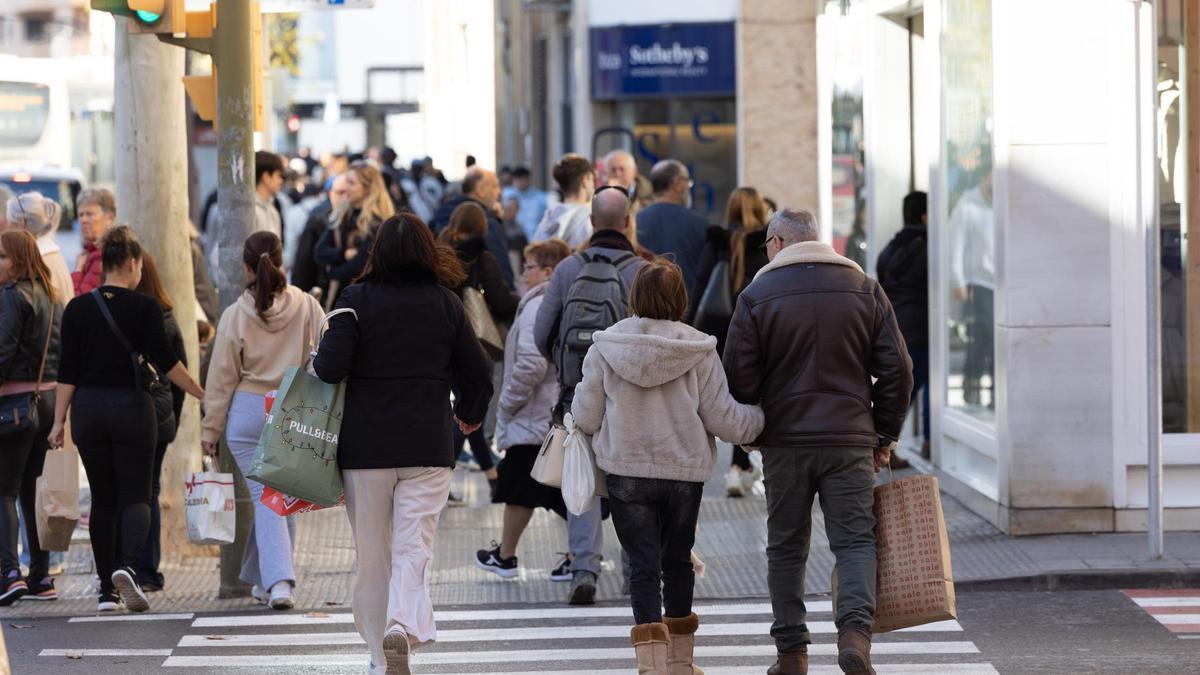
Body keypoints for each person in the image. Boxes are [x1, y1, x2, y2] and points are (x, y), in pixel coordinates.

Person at [722, 209, 911, 675]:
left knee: (786, 546)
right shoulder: (864, 288)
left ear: (779, 241)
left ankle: (791, 654)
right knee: (854, 542)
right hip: (850, 438)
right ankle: (854, 637)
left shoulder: (757, 294)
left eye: (767, 244)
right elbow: (898, 369)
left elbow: (737, 376)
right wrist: (883, 434)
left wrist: (754, 426)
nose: (766, 252)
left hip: (785, 441)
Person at [313, 213, 493, 675]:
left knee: (372, 558)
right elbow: (478, 372)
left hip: (365, 450)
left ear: (377, 252)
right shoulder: (446, 304)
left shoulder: (354, 300)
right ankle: (401, 625)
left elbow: (330, 369)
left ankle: (380, 657)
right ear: (427, 251)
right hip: (429, 446)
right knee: (414, 549)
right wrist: (469, 416)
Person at [573, 259, 763, 674]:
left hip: (626, 473)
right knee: (677, 563)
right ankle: (680, 664)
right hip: (683, 475)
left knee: (642, 567)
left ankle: (651, 667)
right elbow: (723, 417)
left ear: (635, 297)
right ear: (680, 298)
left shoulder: (606, 346)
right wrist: (764, 420)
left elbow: (586, 417)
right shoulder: (698, 349)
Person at [49, 226, 205, 613]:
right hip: (132, 409)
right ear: (133, 263)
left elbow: (66, 372)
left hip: (88, 411)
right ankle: (130, 569)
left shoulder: (78, 308)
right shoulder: (144, 308)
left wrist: (58, 422)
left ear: (105, 263)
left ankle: (106, 591)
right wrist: (204, 394)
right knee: (136, 495)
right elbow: (169, 366)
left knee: (103, 499)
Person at [534, 187, 649, 606]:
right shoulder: (641, 270)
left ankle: (584, 568)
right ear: (627, 222)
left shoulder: (568, 269)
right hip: (629, 396)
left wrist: (570, 372)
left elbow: (541, 333)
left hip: (576, 393)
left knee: (581, 477)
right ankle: (634, 568)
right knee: (629, 482)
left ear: (592, 223)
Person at [201, 232, 324, 611]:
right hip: (291, 408)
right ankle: (277, 579)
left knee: (271, 499)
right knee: (277, 498)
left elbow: (221, 379)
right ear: (282, 261)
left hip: (247, 414)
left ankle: (272, 581)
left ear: (247, 267)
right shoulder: (307, 306)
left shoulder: (236, 315)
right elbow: (324, 355)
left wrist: (210, 431)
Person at [474, 238, 572, 579]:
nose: (522, 274)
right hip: (545, 417)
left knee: (523, 488)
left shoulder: (538, 305)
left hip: (533, 417)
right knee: (548, 490)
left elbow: (531, 363)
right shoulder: (552, 301)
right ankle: (514, 553)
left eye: (528, 267)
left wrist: (508, 403)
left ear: (548, 271)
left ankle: (508, 556)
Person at [686, 186, 771, 498]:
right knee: (751, 395)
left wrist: (689, 325)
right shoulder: (766, 243)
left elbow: (701, 283)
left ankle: (728, 467)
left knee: (724, 395)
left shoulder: (718, 241)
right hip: (758, 327)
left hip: (720, 328)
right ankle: (741, 465)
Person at [0, 230, 62, 604]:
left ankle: (9, 573)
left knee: (3, 490)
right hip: (47, 401)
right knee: (32, 491)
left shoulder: (12, 295)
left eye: (3, 257)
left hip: (13, 406)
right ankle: (40, 575)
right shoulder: (52, 296)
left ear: (19, 260)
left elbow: (2, 353)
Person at [440, 202, 519, 491]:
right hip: (472, 339)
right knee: (471, 407)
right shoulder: (482, 257)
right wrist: (521, 300)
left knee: (466, 405)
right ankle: (441, 473)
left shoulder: (439, 250)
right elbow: (498, 299)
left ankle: (491, 476)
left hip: (441, 336)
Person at [129, 252, 186, 592]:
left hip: (137, 413)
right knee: (148, 490)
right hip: (160, 415)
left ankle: (135, 567)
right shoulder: (166, 318)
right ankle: (148, 570)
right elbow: (180, 372)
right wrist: (173, 418)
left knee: (135, 491)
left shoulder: (138, 318)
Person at [876, 191, 930, 464]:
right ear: (925, 215)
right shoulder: (929, 247)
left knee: (902, 390)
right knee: (918, 387)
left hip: (897, 327)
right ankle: (896, 446)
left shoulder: (891, 248)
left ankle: (889, 446)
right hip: (923, 328)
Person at [315, 161, 396, 307]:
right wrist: (343, 254)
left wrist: (332, 271)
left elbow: (359, 267)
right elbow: (319, 251)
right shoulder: (343, 215)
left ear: (367, 188)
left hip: (365, 302)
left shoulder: (377, 223)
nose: (345, 188)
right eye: (346, 182)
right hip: (339, 298)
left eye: (351, 183)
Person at [949, 170, 995, 408]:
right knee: (983, 335)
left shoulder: (1004, 204)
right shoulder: (968, 205)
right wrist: (959, 281)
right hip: (979, 282)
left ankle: (997, 395)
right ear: (985, 176)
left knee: (997, 340)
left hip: (1003, 283)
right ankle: (973, 388)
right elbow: (955, 245)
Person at [430, 167, 515, 289]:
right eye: (495, 186)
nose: (499, 192)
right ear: (480, 190)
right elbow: (503, 275)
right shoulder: (488, 223)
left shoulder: (439, 217)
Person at [635, 160, 709, 293]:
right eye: (688, 182)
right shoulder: (700, 224)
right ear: (677, 184)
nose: (688, 187)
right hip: (686, 308)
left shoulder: (635, 222)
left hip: (643, 306)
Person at [5, 192, 73, 302]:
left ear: (22, 223)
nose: (8, 228)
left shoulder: (35, 261)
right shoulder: (52, 253)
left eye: (11, 222)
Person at [531, 154, 595, 248]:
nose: (594, 185)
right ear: (584, 180)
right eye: (593, 180)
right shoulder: (591, 220)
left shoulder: (547, 219)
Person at [73, 188, 117, 297]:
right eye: (81, 215)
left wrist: (78, 270)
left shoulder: (104, 256)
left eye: (89, 214)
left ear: (109, 218)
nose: (83, 220)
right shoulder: (91, 251)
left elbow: (78, 301)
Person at [502, 166, 549, 244]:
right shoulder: (507, 195)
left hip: (535, 240)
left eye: (523, 179)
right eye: (517, 179)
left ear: (528, 179)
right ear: (513, 180)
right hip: (513, 237)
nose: (520, 182)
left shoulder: (540, 197)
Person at [602, 149, 653, 214]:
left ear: (634, 171)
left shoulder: (651, 194)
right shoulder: (598, 195)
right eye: (613, 170)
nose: (617, 174)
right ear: (605, 173)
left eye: (622, 169)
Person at [255, 151, 285, 238]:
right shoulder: (248, 211)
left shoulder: (272, 209)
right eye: (279, 176)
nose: (281, 181)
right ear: (266, 177)